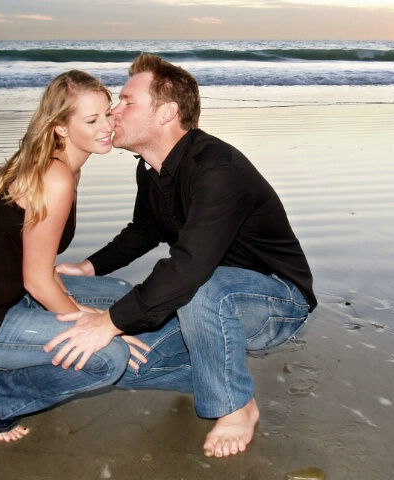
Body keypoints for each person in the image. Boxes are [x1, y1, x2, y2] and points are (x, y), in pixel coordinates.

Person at [53, 53, 318, 457]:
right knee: (118, 357)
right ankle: (211, 372)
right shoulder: (150, 168)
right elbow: (146, 228)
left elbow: (190, 267)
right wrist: (89, 267)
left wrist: (108, 322)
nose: (113, 113)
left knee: (194, 291)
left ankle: (234, 406)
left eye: (126, 102)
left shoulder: (218, 168)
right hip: (199, 300)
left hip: (274, 300)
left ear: (167, 113)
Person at [0, 70, 149, 442]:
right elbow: (36, 279)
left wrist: (87, 310)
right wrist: (90, 321)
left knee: (120, 294)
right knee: (108, 356)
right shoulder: (55, 176)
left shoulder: (61, 164)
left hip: (12, 297)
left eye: (107, 113)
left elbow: (27, 263)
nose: (107, 126)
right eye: (91, 119)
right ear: (61, 127)